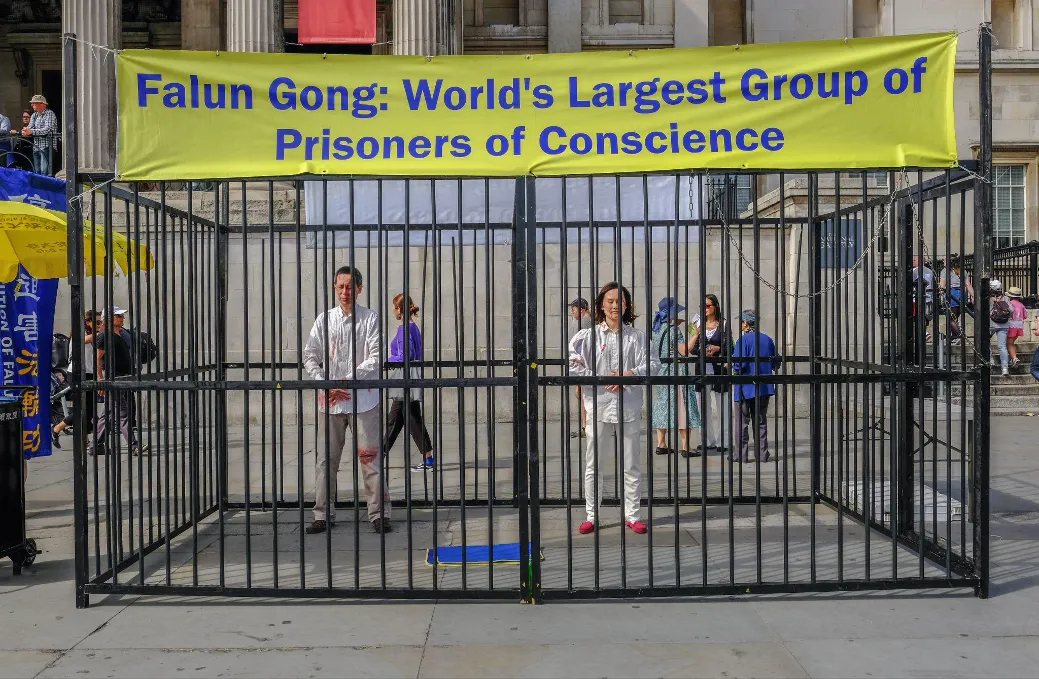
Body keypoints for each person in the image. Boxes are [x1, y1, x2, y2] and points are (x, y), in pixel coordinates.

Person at [303, 266, 391, 535]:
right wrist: (325, 383)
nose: (345, 292)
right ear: (334, 287)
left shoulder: (370, 319)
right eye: (340, 286)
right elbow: (309, 356)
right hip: (330, 401)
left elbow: (377, 357)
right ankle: (322, 513)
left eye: (350, 286)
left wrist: (346, 380)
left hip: (363, 399)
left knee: (369, 458)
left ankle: (378, 513)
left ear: (360, 288)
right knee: (325, 460)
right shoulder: (324, 320)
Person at [568, 282, 658, 535]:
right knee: (594, 464)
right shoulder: (587, 337)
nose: (615, 305)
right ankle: (591, 514)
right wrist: (600, 378)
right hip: (597, 405)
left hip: (628, 406)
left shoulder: (638, 337)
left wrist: (627, 375)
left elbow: (653, 364)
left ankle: (632, 514)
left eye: (620, 301)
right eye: (610, 301)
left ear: (628, 305)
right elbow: (573, 366)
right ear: (601, 305)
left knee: (631, 463)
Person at [384, 293, 435, 473]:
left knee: (410, 419)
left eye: (393, 306)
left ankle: (428, 459)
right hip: (409, 377)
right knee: (397, 419)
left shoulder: (404, 329)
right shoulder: (413, 328)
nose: (392, 309)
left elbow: (407, 355)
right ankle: (381, 453)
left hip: (405, 378)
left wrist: (388, 360)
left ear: (399, 309)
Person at [649, 296, 700, 457]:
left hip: (662, 370)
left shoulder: (656, 329)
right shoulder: (673, 331)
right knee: (683, 406)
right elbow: (684, 350)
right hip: (676, 372)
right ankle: (685, 446)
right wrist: (696, 334)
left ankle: (661, 443)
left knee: (663, 406)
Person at [91, 306, 142, 457]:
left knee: (108, 413)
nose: (122, 318)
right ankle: (134, 445)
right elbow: (97, 359)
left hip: (120, 377)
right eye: (118, 316)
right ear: (110, 318)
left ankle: (95, 445)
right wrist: (100, 379)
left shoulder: (117, 334)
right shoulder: (104, 336)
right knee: (123, 412)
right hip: (112, 378)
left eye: (121, 316)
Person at [731, 309, 777, 464]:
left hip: (744, 387)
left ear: (745, 322)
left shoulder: (742, 341)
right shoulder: (768, 339)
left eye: (741, 322)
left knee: (742, 423)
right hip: (763, 387)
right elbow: (776, 364)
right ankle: (762, 455)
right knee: (761, 422)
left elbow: (738, 365)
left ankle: (740, 455)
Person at [689, 294, 733, 454]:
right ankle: (706, 440)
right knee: (702, 407)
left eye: (708, 306)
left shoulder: (724, 325)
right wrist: (696, 335)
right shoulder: (696, 324)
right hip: (702, 369)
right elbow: (691, 350)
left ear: (715, 307)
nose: (705, 309)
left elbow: (730, 348)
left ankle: (724, 441)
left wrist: (718, 349)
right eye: (703, 306)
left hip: (719, 369)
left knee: (723, 405)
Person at [51, 310, 100, 449]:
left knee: (88, 409)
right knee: (83, 409)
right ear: (87, 322)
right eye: (97, 322)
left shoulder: (95, 335)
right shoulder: (81, 333)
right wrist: (104, 331)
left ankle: (83, 441)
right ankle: (57, 429)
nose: (100, 325)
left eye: (101, 322)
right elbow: (85, 340)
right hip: (77, 374)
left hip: (90, 373)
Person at [568, 297, 591, 438]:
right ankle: (585, 426)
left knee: (583, 395)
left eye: (573, 309)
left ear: (581, 310)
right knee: (583, 395)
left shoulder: (585, 322)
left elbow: (581, 347)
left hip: (585, 365)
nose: (572, 313)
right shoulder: (586, 321)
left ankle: (586, 426)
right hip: (585, 364)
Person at [939, 256, 973, 344]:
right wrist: (973, 295)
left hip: (951, 294)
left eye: (945, 260)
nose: (943, 261)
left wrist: (940, 293)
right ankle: (953, 337)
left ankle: (959, 335)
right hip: (961, 294)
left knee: (950, 319)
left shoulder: (944, 271)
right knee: (955, 317)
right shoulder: (962, 270)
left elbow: (942, 286)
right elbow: (968, 285)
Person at [22, 95, 58, 176]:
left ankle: (45, 188)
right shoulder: (34, 115)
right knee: (37, 172)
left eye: (34, 103)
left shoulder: (49, 114)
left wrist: (30, 131)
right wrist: (25, 131)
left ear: (42, 104)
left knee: (44, 171)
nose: (32, 105)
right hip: (36, 147)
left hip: (47, 146)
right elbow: (29, 127)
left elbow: (47, 130)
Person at [988, 280, 1011, 377]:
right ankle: (1005, 368)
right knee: (1002, 346)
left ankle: (990, 360)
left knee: (985, 341)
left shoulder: (988, 298)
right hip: (1004, 325)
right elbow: (1011, 310)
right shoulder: (1005, 298)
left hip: (991, 324)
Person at [1006, 286, 1027, 369]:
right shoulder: (1022, 305)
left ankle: (1014, 358)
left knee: (1009, 343)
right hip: (1019, 326)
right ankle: (1013, 357)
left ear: (1010, 296)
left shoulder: (1009, 303)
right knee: (1012, 343)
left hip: (1011, 325)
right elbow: (1025, 316)